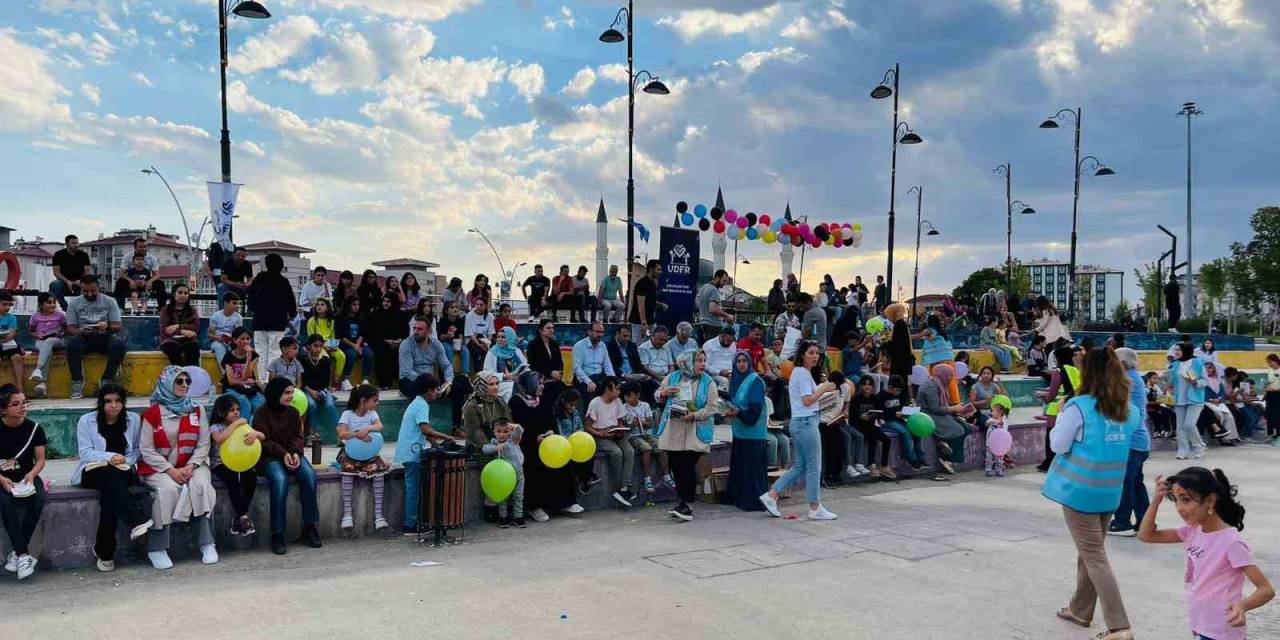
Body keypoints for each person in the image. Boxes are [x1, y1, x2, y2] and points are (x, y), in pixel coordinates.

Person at [1042, 347, 1139, 640]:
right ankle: (1080, 609)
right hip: (1109, 492)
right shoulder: (1129, 410)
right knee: (1090, 552)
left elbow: (1058, 445)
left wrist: (1060, 416)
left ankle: (1119, 626)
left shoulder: (1078, 406)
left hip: (1079, 491)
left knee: (1094, 555)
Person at [1138, 468, 1274, 640]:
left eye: (1186, 500)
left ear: (1210, 500)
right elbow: (1146, 535)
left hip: (1222, 631)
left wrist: (1242, 605)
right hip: (1199, 623)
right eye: (1176, 500)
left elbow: (1266, 589)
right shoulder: (1193, 530)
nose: (1179, 508)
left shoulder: (1231, 542)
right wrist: (1156, 501)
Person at [137, 367, 217, 569]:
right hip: (160, 468)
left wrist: (192, 465)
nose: (184, 385)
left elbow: (204, 443)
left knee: (201, 486)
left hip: (193, 464)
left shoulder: (196, 409)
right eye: (179, 381)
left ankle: (207, 543)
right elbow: (146, 450)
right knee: (167, 490)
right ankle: (157, 548)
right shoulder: (152, 414)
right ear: (166, 383)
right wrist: (170, 470)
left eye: (187, 381)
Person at [72, 385, 153, 572]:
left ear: (123, 403)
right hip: (93, 470)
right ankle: (135, 519)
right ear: (101, 403)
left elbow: (136, 450)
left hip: (122, 470)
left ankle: (104, 551)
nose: (113, 406)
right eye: (108, 401)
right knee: (110, 477)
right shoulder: (86, 421)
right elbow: (85, 453)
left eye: (118, 401)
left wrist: (125, 460)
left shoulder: (132, 419)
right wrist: (110, 457)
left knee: (111, 498)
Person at [760, 341, 838, 520]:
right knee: (813, 465)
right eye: (811, 353)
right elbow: (807, 400)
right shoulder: (802, 373)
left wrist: (823, 393)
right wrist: (824, 388)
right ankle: (814, 507)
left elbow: (809, 399)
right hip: (806, 423)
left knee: (801, 466)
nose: (815, 356)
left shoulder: (801, 373)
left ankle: (772, 495)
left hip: (802, 422)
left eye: (817, 353)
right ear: (802, 355)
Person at [255, 377, 322, 555]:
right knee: (280, 479)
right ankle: (277, 533)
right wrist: (283, 454)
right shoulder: (261, 413)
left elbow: (298, 436)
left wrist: (294, 453)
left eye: (292, 392)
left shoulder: (293, 412)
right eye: (287, 392)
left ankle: (310, 527)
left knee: (309, 476)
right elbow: (264, 441)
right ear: (276, 393)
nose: (291, 396)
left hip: (291, 454)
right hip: (269, 457)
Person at [395, 374, 466, 535]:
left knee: (414, 489)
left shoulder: (417, 403)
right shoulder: (422, 405)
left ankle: (414, 522)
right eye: (436, 390)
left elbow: (425, 434)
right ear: (428, 391)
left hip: (409, 452)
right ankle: (410, 525)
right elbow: (425, 429)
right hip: (412, 454)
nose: (438, 393)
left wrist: (437, 444)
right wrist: (446, 436)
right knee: (413, 490)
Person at [509, 371, 582, 523]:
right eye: (539, 383)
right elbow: (518, 427)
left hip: (546, 442)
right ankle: (533, 506)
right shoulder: (516, 402)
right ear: (529, 384)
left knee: (562, 460)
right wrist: (535, 438)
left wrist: (550, 431)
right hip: (526, 444)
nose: (542, 386)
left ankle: (564, 502)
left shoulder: (541, 400)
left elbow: (550, 421)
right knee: (533, 463)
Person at [654, 350, 719, 522]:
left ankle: (687, 505)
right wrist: (663, 393)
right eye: (698, 360)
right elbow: (657, 395)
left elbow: (713, 407)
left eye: (704, 360)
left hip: (695, 431)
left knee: (687, 467)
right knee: (676, 466)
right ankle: (682, 502)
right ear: (687, 362)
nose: (702, 364)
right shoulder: (673, 377)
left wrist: (695, 415)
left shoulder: (708, 381)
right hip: (674, 430)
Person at [1105, 348, 1152, 536]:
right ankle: (1145, 522)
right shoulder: (1134, 378)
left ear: (1122, 364)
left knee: (1125, 483)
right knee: (1135, 484)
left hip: (1132, 442)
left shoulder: (1128, 380)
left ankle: (1122, 522)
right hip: (1138, 441)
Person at [0, 384, 45, 580]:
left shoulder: (35, 428)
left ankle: (18, 553)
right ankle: (24, 555)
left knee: (38, 501)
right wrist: (1, 479)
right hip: (1, 477)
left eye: (24, 402)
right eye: (16, 404)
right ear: (3, 409)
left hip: (27, 476)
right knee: (5, 503)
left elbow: (41, 460)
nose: (22, 407)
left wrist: (33, 474)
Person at [335, 384, 391, 532]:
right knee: (347, 474)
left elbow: (379, 426)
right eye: (375, 400)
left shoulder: (372, 415)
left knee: (379, 474)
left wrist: (367, 429)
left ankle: (379, 516)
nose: (377, 403)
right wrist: (356, 434)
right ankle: (347, 515)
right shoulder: (348, 414)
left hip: (370, 455)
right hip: (351, 455)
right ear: (363, 400)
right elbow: (341, 433)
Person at [399, 316, 470, 431]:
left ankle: (456, 428)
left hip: (431, 382)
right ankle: (420, 430)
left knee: (457, 388)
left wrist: (448, 382)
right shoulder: (406, 345)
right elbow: (407, 372)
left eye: (420, 329)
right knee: (417, 394)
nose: (416, 331)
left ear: (429, 331)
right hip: (411, 380)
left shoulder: (436, 344)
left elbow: (446, 365)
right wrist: (430, 385)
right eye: (415, 328)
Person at [207, 394, 263, 538]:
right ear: (221, 412)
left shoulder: (243, 425)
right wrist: (235, 424)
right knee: (232, 479)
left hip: (241, 461)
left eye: (238, 409)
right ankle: (243, 516)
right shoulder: (216, 427)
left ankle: (239, 517)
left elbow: (263, 436)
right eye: (232, 410)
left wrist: (255, 434)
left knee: (251, 477)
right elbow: (219, 439)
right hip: (220, 464)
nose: (237, 412)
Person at [65, 275, 127, 400]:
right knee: (72, 345)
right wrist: (80, 331)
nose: (89, 294)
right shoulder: (74, 303)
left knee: (119, 345)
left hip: (105, 336)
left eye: (93, 291)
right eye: (85, 291)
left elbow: (118, 325)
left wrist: (107, 325)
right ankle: (77, 381)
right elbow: (71, 328)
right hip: (84, 337)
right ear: (81, 289)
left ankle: (107, 379)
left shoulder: (109, 301)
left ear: (99, 288)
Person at [726, 351, 768, 511]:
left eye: (744, 361)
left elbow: (755, 409)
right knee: (740, 466)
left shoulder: (755, 381)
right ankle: (738, 497)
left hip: (754, 434)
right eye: (738, 361)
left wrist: (738, 412)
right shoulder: (735, 380)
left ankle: (753, 501)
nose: (741, 364)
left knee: (752, 469)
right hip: (739, 432)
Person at [584, 377, 636, 507]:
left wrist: (621, 429)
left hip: (616, 434)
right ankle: (621, 488)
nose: (619, 392)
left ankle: (624, 487)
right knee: (616, 453)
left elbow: (619, 420)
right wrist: (600, 433)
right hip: (600, 435)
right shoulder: (595, 403)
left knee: (629, 451)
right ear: (608, 389)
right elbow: (587, 426)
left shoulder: (618, 401)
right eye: (616, 389)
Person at [248, 253, 298, 386]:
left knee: (260, 352)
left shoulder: (259, 278)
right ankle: (273, 380)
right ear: (281, 265)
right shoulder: (283, 281)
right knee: (274, 351)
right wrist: (292, 313)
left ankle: (261, 381)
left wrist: (253, 309)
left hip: (259, 321)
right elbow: (290, 300)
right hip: (277, 322)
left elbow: (251, 297)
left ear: (267, 264)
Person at [916, 364, 972, 477]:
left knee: (967, 428)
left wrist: (959, 410)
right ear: (943, 375)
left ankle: (944, 444)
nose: (951, 378)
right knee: (958, 430)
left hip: (939, 414)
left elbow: (945, 405)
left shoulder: (940, 384)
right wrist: (954, 409)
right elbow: (935, 408)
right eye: (950, 375)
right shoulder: (931, 386)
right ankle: (945, 458)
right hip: (928, 415)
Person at [1036, 345, 1083, 472]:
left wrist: (1043, 398)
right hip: (1072, 406)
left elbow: (1053, 393)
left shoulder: (1059, 371)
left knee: (1051, 437)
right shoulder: (1076, 370)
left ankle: (1048, 463)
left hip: (1055, 408)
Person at [553, 388, 600, 495]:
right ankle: (585, 479)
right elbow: (559, 431)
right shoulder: (557, 414)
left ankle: (587, 478)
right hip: (563, 443)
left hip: (576, 441)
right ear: (564, 402)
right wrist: (570, 440)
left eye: (575, 405)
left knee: (589, 451)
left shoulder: (575, 412)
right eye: (571, 405)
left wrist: (578, 436)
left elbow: (580, 427)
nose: (573, 407)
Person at [482, 419, 526, 528]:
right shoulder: (494, 442)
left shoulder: (513, 440)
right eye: (499, 431)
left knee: (518, 496)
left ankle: (518, 517)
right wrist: (497, 448)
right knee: (503, 497)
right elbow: (485, 449)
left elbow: (520, 432)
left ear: (510, 432)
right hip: (504, 477)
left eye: (505, 431)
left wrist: (517, 426)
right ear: (494, 431)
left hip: (519, 473)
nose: (502, 434)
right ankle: (503, 517)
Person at [849, 373, 894, 479]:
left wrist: (881, 419)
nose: (867, 387)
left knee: (887, 440)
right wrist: (861, 416)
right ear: (861, 386)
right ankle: (871, 464)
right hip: (860, 426)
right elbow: (851, 417)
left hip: (872, 425)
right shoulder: (856, 399)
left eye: (869, 384)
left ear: (873, 386)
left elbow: (881, 411)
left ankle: (884, 466)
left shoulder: (875, 398)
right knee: (872, 437)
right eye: (865, 384)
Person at [1168, 341, 1208, 460]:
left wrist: (1197, 382)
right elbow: (1171, 382)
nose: (1176, 352)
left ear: (1185, 351)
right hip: (1179, 399)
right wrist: (1166, 379)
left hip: (1195, 399)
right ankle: (1182, 450)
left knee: (1189, 424)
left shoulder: (1197, 362)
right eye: (1175, 350)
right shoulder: (1174, 365)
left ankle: (1198, 447)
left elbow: (1205, 380)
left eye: (1178, 350)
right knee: (1180, 427)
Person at [878, 375, 925, 470]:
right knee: (905, 432)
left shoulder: (900, 396)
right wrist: (894, 414)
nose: (897, 393)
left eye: (899, 391)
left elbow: (902, 407)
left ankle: (921, 457)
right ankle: (911, 458)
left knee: (915, 430)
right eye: (896, 390)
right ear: (890, 387)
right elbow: (880, 412)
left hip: (900, 419)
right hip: (887, 421)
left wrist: (909, 410)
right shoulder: (881, 396)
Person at [26, 293, 66, 399]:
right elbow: (31, 331)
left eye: (54, 302)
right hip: (41, 341)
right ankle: (42, 384)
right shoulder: (35, 316)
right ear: (41, 304)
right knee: (46, 350)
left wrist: (60, 332)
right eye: (49, 303)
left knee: (49, 341)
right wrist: (37, 335)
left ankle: (38, 369)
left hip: (58, 341)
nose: (52, 305)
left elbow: (67, 330)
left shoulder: (60, 315)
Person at [462, 371, 513, 452]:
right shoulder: (472, 406)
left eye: (497, 383)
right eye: (491, 384)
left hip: (500, 446)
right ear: (482, 385)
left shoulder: (500, 402)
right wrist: (490, 447)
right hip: (478, 449)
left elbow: (509, 424)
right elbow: (475, 431)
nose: (495, 387)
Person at [222, 327, 264, 421]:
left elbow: (246, 375)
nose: (245, 341)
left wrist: (248, 357)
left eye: (248, 339)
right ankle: (243, 429)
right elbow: (231, 381)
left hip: (249, 388)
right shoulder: (228, 356)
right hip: (231, 389)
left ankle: (256, 428)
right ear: (235, 340)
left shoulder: (254, 355)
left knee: (260, 401)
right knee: (243, 401)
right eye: (242, 339)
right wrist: (246, 381)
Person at [367, 292, 408, 390]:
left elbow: (405, 331)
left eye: (388, 301)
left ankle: (399, 381)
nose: (385, 303)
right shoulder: (376, 314)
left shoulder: (400, 314)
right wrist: (386, 340)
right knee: (382, 352)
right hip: (380, 341)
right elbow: (372, 332)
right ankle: (384, 382)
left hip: (397, 342)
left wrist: (399, 340)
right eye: (384, 301)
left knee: (400, 351)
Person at [300, 334, 338, 437]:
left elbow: (326, 381)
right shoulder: (302, 360)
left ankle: (341, 434)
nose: (318, 349)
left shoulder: (325, 360)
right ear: (309, 346)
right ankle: (312, 433)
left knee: (330, 405)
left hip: (322, 389)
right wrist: (310, 391)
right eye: (315, 346)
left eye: (321, 346)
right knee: (311, 405)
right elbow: (302, 381)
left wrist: (323, 391)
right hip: (307, 389)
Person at [915, 314, 958, 403]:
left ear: (929, 321)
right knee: (950, 383)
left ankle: (939, 402)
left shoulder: (929, 330)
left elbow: (916, 337)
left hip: (938, 362)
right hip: (948, 360)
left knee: (936, 382)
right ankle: (954, 402)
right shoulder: (941, 332)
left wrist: (904, 335)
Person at [305, 298, 347, 390]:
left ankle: (337, 379)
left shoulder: (331, 321)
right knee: (325, 358)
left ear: (327, 308)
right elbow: (311, 338)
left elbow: (333, 336)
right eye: (318, 305)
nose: (319, 306)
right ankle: (327, 384)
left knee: (341, 356)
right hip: (316, 345)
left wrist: (333, 346)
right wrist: (323, 346)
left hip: (329, 345)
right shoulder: (311, 321)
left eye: (322, 305)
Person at [157, 282, 201, 367]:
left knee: (193, 349)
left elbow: (195, 327)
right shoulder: (165, 310)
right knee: (173, 349)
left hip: (188, 339)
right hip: (169, 339)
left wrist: (178, 326)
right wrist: (183, 331)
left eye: (186, 293)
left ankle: (192, 375)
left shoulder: (192, 310)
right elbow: (165, 330)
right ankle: (180, 376)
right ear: (174, 294)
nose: (183, 295)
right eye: (180, 292)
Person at [336, 298, 375, 389]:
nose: (356, 307)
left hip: (358, 344)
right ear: (348, 305)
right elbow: (341, 336)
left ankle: (365, 379)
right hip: (346, 344)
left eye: (358, 305)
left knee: (369, 353)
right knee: (351, 354)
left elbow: (362, 333)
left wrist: (357, 345)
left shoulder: (361, 317)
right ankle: (345, 379)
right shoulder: (341, 317)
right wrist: (354, 346)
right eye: (354, 305)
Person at [484, 326, 528, 402]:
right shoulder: (492, 352)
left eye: (503, 337)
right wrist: (504, 376)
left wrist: (519, 376)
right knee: (513, 390)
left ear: (510, 338)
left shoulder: (516, 351)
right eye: (498, 337)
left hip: (517, 381)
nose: (500, 339)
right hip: (500, 383)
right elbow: (487, 373)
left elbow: (525, 368)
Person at [608, 324, 652, 399]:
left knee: (652, 383)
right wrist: (623, 375)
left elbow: (638, 364)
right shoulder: (609, 346)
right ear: (617, 334)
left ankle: (648, 408)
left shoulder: (632, 346)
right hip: (619, 376)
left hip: (633, 375)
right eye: (624, 336)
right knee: (633, 386)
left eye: (629, 336)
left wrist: (643, 375)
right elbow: (610, 366)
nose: (627, 339)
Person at [49, 233, 92, 309]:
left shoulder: (84, 255)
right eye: (73, 243)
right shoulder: (59, 254)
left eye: (77, 243)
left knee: (93, 284)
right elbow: (56, 272)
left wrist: (80, 281)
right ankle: (66, 308)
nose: (76, 245)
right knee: (55, 284)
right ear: (67, 244)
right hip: (63, 282)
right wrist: (67, 281)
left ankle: (86, 308)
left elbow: (87, 271)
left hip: (80, 281)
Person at [571, 322, 615, 396]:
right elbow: (577, 368)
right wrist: (589, 382)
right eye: (597, 332)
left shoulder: (603, 346)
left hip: (599, 378)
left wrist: (613, 380)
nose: (600, 335)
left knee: (616, 390)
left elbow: (608, 366)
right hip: (584, 378)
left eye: (602, 332)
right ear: (589, 332)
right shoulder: (579, 346)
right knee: (592, 391)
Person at [628, 259, 666, 339]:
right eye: (658, 269)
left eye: (661, 270)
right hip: (639, 322)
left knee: (653, 343)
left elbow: (649, 301)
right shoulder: (642, 283)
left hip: (651, 321)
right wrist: (644, 323)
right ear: (651, 270)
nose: (660, 272)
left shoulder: (653, 284)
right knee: (640, 345)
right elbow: (640, 304)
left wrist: (660, 305)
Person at [884, 302, 914, 398]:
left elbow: (897, 345)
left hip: (900, 361)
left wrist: (886, 344)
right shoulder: (902, 325)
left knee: (898, 381)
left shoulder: (899, 326)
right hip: (905, 360)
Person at [696, 269, 734, 343]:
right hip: (713, 326)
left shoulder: (704, 287)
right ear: (717, 278)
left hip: (703, 324)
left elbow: (700, 304)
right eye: (723, 281)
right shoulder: (714, 290)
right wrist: (727, 315)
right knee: (715, 350)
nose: (725, 283)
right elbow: (713, 309)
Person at [208, 291, 243, 371]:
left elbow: (239, 335)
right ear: (225, 303)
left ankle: (237, 372)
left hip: (231, 342)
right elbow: (209, 335)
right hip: (217, 341)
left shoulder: (238, 318)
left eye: (237, 304)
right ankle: (225, 373)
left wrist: (232, 340)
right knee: (219, 348)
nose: (236, 306)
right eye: (234, 303)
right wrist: (218, 338)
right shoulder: (215, 316)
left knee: (237, 349)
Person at [526, 318, 564, 388]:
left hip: (555, 379)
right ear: (540, 330)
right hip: (539, 379)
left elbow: (560, 362)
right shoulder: (533, 345)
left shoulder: (554, 344)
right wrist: (550, 372)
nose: (551, 330)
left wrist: (559, 373)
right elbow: (533, 365)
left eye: (552, 328)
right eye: (548, 328)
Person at [0, 292, 26, 389]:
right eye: (4, 304)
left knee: (17, 357)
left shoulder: (11, 318)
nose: (7, 307)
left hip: (7, 344)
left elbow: (12, 334)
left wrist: (2, 341)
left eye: (9, 305)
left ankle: (20, 387)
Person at [465, 298, 495, 374]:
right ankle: (479, 375)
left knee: (493, 351)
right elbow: (471, 335)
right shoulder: (469, 315)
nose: (478, 307)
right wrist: (480, 345)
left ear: (485, 306)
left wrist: (487, 345)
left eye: (481, 305)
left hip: (485, 341)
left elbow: (490, 333)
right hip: (472, 341)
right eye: (477, 304)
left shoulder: (490, 316)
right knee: (479, 354)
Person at [702, 326, 738, 390]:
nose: (730, 343)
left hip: (730, 374)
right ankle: (722, 399)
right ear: (722, 336)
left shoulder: (733, 345)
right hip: (713, 375)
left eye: (732, 341)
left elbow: (733, 362)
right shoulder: (709, 345)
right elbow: (705, 365)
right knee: (724, 381)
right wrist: (719, 372)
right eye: (728, 340)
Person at [218, 246, 252, 310]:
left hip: (241, 288)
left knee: (255, 287)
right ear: (233, 255)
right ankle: (223, 311)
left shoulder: (247, 264)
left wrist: (246, 284)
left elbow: (250, 280)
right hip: (229, 287)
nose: (240, 257)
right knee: (221, 286)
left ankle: (251, 311)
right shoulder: (227, 263)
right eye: (238, 255)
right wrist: (235, 284)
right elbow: (222, 280)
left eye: (243, 256)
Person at [984, 396, 1011, 477]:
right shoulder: (991, 421)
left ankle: (998, 470)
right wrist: (995, 421)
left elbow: (1005, 434)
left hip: (999, 445)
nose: (992, 413)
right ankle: (988, 469)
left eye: (994, 411)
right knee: (989, 457)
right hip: (990, 443)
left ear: (1000, 412)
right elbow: (987, 423)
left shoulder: (1005, 423)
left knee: (999, 459)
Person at [1266, 354, 1280, 445]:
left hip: (1278, 395)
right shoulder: (1270, 371)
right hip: (1269, 395)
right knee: (1269, 415)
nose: (1269, 364)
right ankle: (1271, 435)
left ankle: (1279, 436)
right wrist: (1266, 386)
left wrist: (1275, 389)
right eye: (1268, 363)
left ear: (1276, 361)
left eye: (1270, 362)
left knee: (1277, 416)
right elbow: (1269, 382)